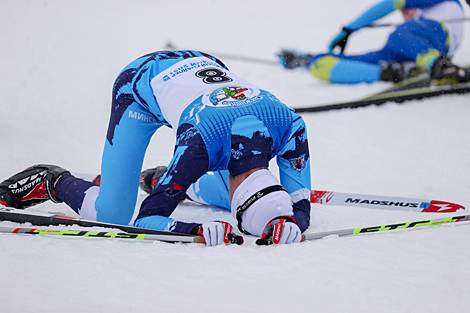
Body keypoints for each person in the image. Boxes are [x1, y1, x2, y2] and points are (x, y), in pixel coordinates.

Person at [0, 50, 311, 246]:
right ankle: (52, 180)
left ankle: (167, 181)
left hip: (203, 64)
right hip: (138, 86)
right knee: (112, 214)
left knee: (220, 190)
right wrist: (192, 230)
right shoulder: (199, 147)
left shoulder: (291, 126)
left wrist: (286, 221)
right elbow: (146, 220)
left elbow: (300, 206)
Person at [278, 0, 470, 84]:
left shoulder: (443, 4)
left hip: (436, 42)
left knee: (401, 33)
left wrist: (349, 29)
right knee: (321, 64)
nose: (404, 12)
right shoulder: (409, 32)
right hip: (410, 51)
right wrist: (309, 60)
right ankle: (388, 73)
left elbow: (389, 4)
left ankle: (439, 66)